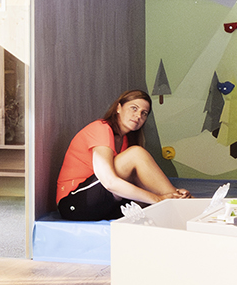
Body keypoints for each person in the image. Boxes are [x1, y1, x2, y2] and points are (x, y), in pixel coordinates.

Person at [53, 89, 186, 219]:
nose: (139, 116)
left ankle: (182, 202)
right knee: (136, 154)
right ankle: (181, 204)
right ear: (118, 108)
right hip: (74, 202)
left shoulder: (126, 141)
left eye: (144, 113)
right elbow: (109, 182)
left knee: (153, 204)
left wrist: (173, 194)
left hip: (103, 203)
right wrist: (158, 198)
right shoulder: (101, 128)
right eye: (134, 108)